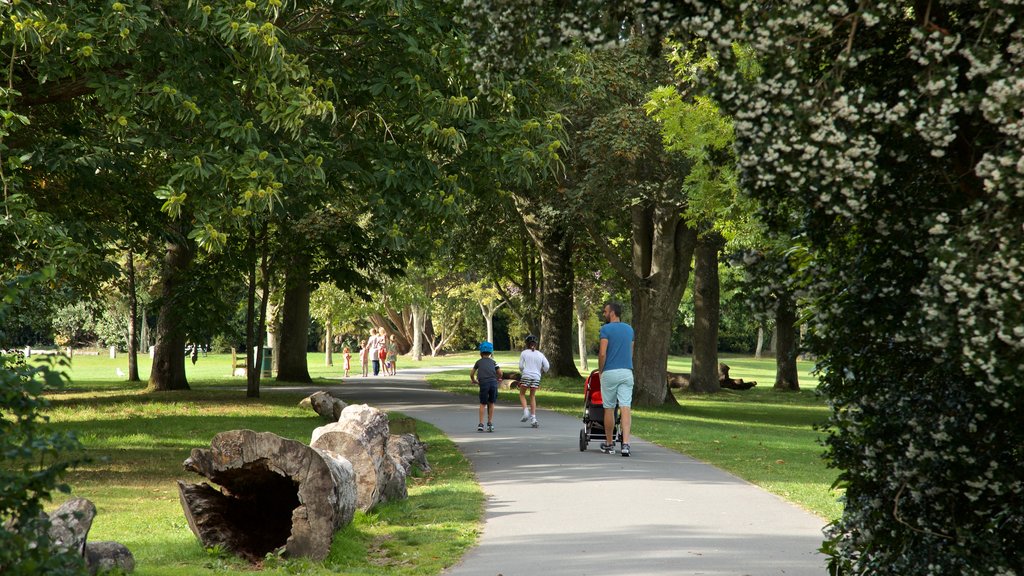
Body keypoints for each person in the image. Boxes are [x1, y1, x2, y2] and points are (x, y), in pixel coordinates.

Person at [599, 301, 634, 456]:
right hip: (627, 371)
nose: (604, 314)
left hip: (610, 372)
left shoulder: (605, 329)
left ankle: (609, 443)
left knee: (609, 408)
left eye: (605, 311)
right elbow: (630, 352)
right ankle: (625, 444)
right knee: (625, 407)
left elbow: (602, 353)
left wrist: (601, 371)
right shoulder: (629, 329)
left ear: (612, 313)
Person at [517, 334, 549, 428]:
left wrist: (524, 372)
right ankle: (533, 418)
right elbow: (547, 366)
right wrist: (541, 371)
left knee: (522, 394)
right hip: (536, 377)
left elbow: (521, 366)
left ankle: (526, 411)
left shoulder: (524, 353)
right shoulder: (540, 354)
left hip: (526, 375)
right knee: (532, 396)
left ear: (526, 344)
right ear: (536, 344)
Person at [470, 341, 502, 433]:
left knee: (483, 403)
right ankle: (490, 423)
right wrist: (498, 379)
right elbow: (500, 373)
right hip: (493, 383)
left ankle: (481, 424)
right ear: (491, 352)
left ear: (480, 353)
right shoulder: (493, 362)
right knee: (491, 403)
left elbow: (472, 373)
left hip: (483, 383)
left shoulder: (478, 362)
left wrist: (473, 380)